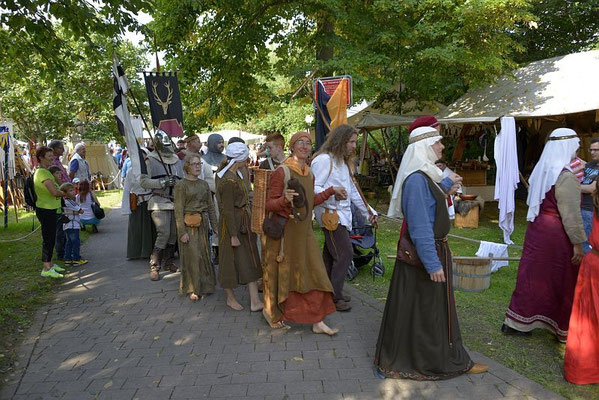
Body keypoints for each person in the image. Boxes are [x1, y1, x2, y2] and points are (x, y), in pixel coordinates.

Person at [374, 126, 487, 380]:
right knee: (426, 312)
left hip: (434, 251)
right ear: (424, 147)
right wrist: (432, 264)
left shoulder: (424, 176)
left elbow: (430, 203)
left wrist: (446, 186)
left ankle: (428, 358)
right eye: (437, 143)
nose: (442, 147)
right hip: (426, 256)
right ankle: (426, 362)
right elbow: (420, 227)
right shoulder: (416, 180)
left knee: (424, 311)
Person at [502, 128, 586, 342]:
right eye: (575, 147)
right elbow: (570, 213)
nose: (576, 152)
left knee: (532, 275)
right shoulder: (565, 176)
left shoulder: (542, 169)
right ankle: (560, 328)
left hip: (537, 229)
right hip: (555, 234)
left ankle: (517, 323)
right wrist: (577, 243)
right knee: (561, 277)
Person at [263, 131, 346, 334]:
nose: (304, 146)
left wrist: (330, 191)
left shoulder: (309, 173)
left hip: (305, 233)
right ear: (292, 147)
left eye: (308, 143)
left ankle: (318, 321)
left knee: (315, 274)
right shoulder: (282, 171)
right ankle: (272, 312)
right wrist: (284, 200)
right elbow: (269, 203)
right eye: (300, 142)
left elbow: (309, 203)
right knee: (281, 276)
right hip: (285, 235)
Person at [312, 124, 378, 312]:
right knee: (344, 254)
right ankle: (335, 296)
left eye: (354, 142)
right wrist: (332, 192)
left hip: (341, 216)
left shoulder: (341, 162)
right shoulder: (324, 160)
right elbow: (314, 187)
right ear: (340, 141)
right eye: (350, 142)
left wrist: (369, 213)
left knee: (330, 256)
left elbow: (353, 193)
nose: (353, 146)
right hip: (330, 217)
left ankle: (324, 292)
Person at [215, 142, 263, 311]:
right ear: (239, 158)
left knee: (250, 257)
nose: (248, 159)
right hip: (231, 225)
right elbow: (227, 209)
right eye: (245, 157)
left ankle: (254, 300)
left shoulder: (238, 174)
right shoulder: (228, 180)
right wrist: (233, 234)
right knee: (228, 260)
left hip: (243, 221)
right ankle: (230, 297)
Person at [564, 185, 599, 384]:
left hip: (593, 263)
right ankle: (585, 369)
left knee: (589, 320)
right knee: (588, 320)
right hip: (594, 264)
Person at [140, 130, 184, 280]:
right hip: (159, 200)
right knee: (163, 233)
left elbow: (181, 179)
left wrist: (177, 183)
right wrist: (162, 182)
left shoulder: (176, 159)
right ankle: (155, 266)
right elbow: (144, 182)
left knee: (173, 234)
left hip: (175, 201)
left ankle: (168, 262)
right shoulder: (150, 160)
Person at [174, 154, 218, 301]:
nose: (198, 167)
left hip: (203, 223)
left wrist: (215, 226)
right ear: (187, 166)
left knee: (204, 255)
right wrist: (182, 232)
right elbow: (178, 210)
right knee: (192, 256)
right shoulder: (181, 186)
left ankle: (205, 286)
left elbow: (211, 207)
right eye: (194, 164)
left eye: (199, 164)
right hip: (188, 225)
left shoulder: (204, 184)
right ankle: (192, 288)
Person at [33, 146, 67, 278]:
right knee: (48, 238)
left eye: (52, 157)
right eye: (49, 157)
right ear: (41, 158)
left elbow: (57, 186)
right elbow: (53, 192)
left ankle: (50, 264)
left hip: (51, 208)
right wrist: (66, 194)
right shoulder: (42, 173)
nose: (52, 159)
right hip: (45, 209)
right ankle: (46, 267)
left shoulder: (46, 172)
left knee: (51, 237)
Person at [121, 148, 155, 259]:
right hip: (138, 203)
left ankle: (150, 252)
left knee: (151, 229)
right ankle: (135, 252)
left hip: (150, 202)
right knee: (136, 229)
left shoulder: (152, 171)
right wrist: (126, 208)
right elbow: (126, 190)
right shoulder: (131, 172)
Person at [201, 133, 226, 255]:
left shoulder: (226, 158)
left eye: (222, 142)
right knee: (212, 222)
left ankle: (222, 248)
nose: (221, 145)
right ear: (211, 143)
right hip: (210, 197)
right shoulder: (203, 160)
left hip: (224, 197)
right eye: (219, 142)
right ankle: (214, 250)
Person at [48, 140, 70, 260]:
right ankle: (61, 252)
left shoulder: (57, 161)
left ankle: (65, 247)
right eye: (60, 148)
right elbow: (57, 179)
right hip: (60, 197)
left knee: (64, 224)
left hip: (63, 195)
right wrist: (65, 190)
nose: (63, 150)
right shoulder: (53, 164)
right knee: (59, 228)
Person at [59, 183, 88, 266]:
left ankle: (68, 258)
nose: (73, 192)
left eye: (73, 190)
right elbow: (81, 210)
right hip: (72, 224)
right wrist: (76, 212)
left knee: (69, 242)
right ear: (65, 193)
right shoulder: (69, 201)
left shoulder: (65, 201)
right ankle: (76, 258)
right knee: (75, 242)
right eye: (70, 191)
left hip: (68, 225)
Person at [580, 138, 599, 254]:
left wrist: (574, 187)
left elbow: (593, 188)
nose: (592, 153)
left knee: (588, 245)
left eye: (596, 150)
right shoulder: (589, 165)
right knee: (582, 242)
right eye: (591, 150)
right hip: (581, 207)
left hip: (592, 209)